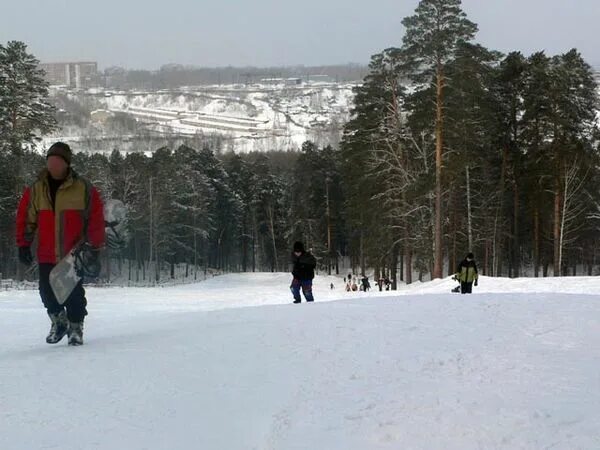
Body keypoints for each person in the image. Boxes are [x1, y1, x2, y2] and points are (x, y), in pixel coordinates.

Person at [16, 142, 105, 345]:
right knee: (46, 292)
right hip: (47, 252)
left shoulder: (83, 188)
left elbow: (96, 219)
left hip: (73, 252)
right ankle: (59, 321)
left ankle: (76, 328)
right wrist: (23, 244)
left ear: (66, 164)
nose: (53, 165)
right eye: (50, 161)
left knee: (73, 293)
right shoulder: (37, 189)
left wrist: (95, 246)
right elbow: (25, 218)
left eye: (57, 162)